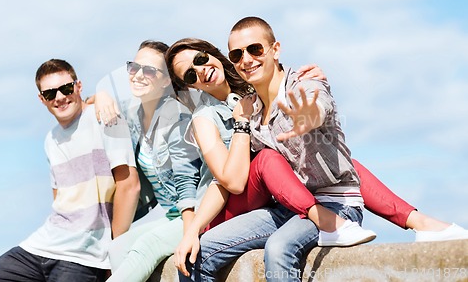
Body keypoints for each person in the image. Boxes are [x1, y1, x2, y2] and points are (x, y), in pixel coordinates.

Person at [169, 17, 468, 281]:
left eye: (255, 50)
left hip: (323, 202)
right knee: (205, 249)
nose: (246, 59)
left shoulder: (297, 86)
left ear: (275, 50)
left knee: (281, 244)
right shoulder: (240, 112)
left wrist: (310, 116)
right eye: (239, 54)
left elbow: (316, 102)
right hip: (265, 203)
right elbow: (227, 181)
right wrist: (192, 229)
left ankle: (420, 222)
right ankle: (413, 222)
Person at [0, 59, 139, 282]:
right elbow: (59, 198)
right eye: (50, 94)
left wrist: (115, 252)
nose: (59, 97)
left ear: (79, 86)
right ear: (41, 99)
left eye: (66, 88)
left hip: (83, 255)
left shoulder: (105, 118)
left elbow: (129, 186)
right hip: (40, 246)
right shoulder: (51, 139)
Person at [92, 40, 204, 282]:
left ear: (165, 80)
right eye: (134, 67)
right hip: (171, 215)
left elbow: (187, 180)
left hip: (197, 212)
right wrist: (100, 95)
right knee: (117, 247)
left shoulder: (178, 117)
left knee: (147, 246)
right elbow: (93, 102)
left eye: (149, 71)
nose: (138, 75)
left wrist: (190, 231)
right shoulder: (136, 113)